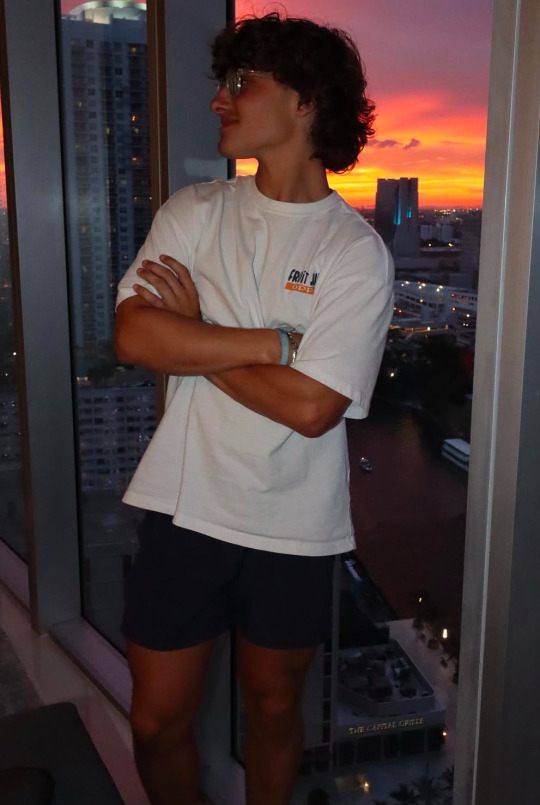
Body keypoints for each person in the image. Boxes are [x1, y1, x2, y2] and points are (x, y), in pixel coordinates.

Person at [114, 12, 394, 805]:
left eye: (242, 84)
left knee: (273, 711)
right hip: (186, 503)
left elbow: (312, 408)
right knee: (155, 720)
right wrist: (272, 343)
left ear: (305, 101)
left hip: (294, 523)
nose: (219, 100)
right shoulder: (196, 210)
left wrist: (198, 332)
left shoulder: (353, 252)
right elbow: (135, 334)